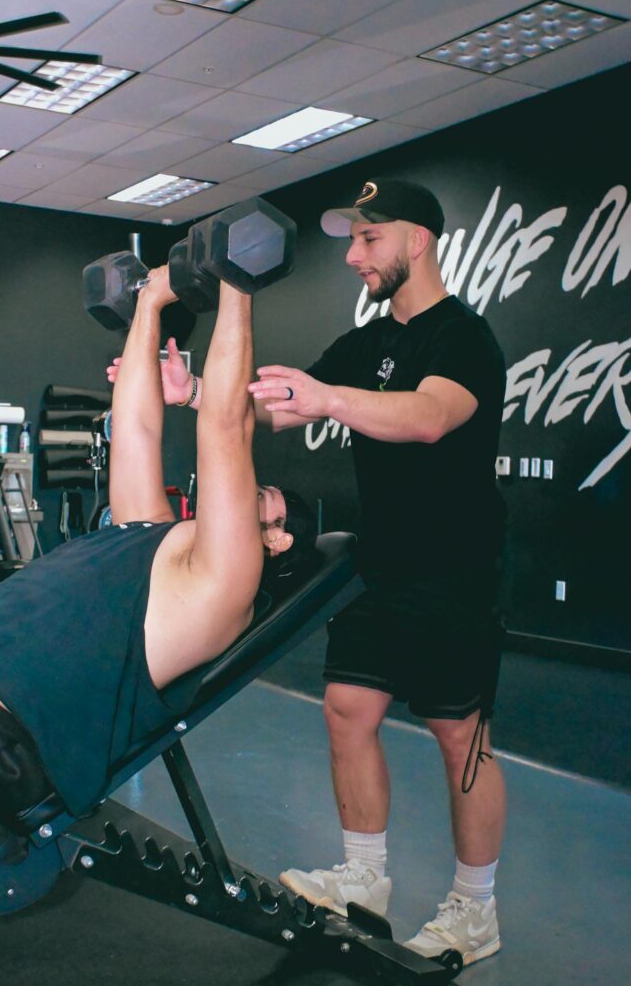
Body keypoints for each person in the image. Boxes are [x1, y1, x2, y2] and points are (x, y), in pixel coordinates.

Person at [166, 177, 508, 967]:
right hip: (380, 560)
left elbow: (426, 418)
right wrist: (195, 398)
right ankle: (363, 878)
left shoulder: (462, 338)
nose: (354, 256)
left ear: (415, 239)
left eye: (368, 238)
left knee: (461, 735)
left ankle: (474, 909)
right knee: (347, 709)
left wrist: (329, 398)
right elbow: (273, 406)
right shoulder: (363, 343)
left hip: (456, 566)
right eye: (352, 241)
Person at [0, 269, 315, 833]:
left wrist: (237, 285)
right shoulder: (149, 532)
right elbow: (137, 428)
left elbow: (225, 425)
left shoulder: (221, 587)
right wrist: (149, 303)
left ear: (276, 538)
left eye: (257, 495)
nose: (239, 492)